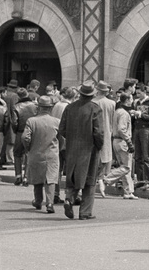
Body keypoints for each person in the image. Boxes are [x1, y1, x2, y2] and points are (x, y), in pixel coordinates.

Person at [58, 83, 105, 220]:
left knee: (73, 176)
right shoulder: (95, 109)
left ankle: (69, 198)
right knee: (90, 179)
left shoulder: (70, 107)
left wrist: (72, 137)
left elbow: (62, 129)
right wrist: (99, 145)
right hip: (89, 148)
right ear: (92, 95)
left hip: (72, 147)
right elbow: (99, 132)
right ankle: (85, 211)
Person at [22, 95, 62, 213]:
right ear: (50, 108)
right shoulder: (56, 122)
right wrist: (59, 148)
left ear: (39, 107)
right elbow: (62, 138)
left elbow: (25, 137)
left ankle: (38, 200)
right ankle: (49, 203)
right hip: (52, 154)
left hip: (36, 152)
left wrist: (28, 148)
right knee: (51, 178)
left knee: (37, 178)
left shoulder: (31, 121)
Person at [11, 89, 39, 186]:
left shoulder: (16, 106)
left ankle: (18, 176)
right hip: (31, 131)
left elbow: (14, 122)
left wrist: (16, 130)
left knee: (17, 154)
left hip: (20, 131)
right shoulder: (35, 106)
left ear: (18, 97)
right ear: (27, 94)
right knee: (29, 153)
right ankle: (26, 176)